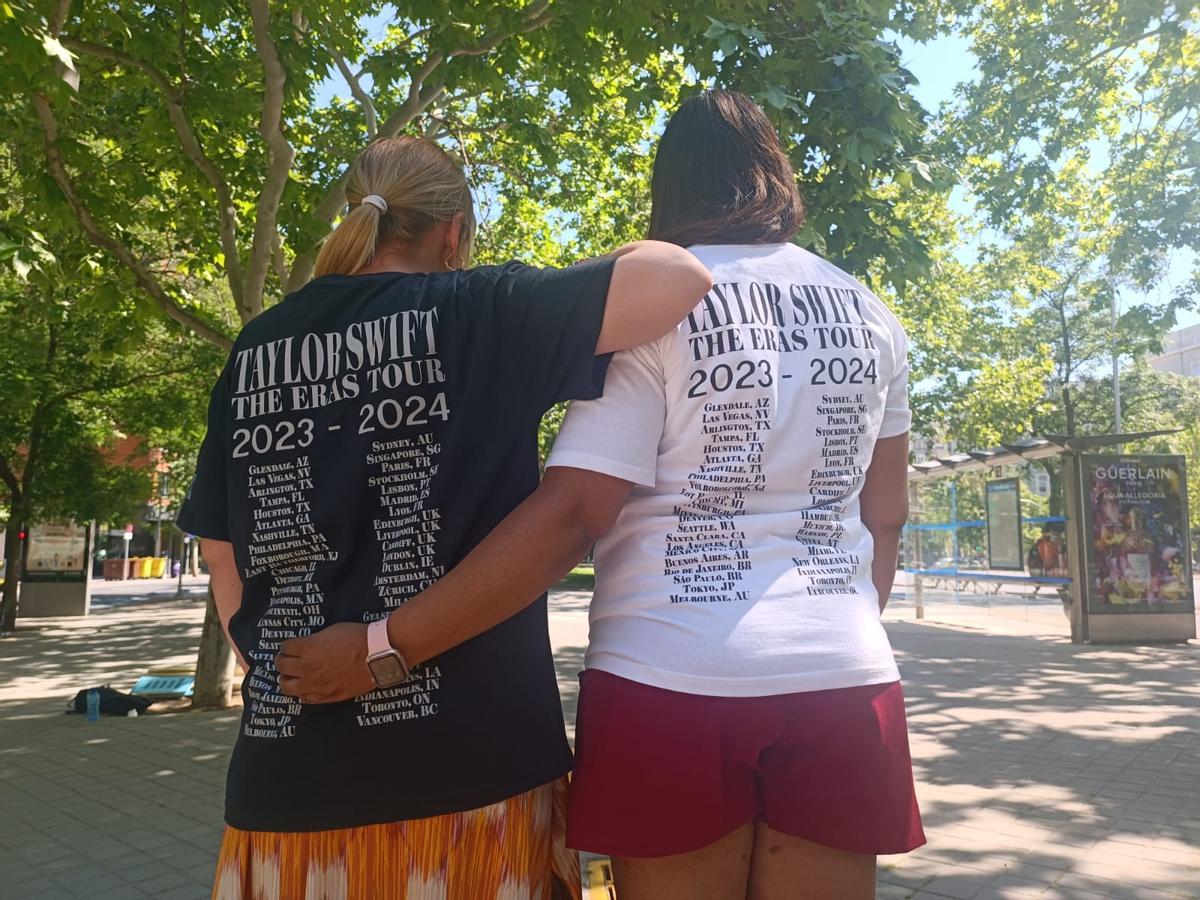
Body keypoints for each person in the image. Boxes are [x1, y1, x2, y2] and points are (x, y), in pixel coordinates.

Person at [283, 91, 924, 898]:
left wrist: (385, 645)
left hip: (668, 675)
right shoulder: (872, 313)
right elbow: (886, 514)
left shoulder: (651, 308)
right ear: (776, 175)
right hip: (843, 672)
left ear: (672, 187)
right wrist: (831, 627)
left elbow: (577, 511)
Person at [178, 134, 712, 899]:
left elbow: (222, 552)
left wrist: (274, 666)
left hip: (284, 779)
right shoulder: (475, 307)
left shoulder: (257, 345)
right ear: (453, 232)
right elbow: (676, 276)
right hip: (470, 781)